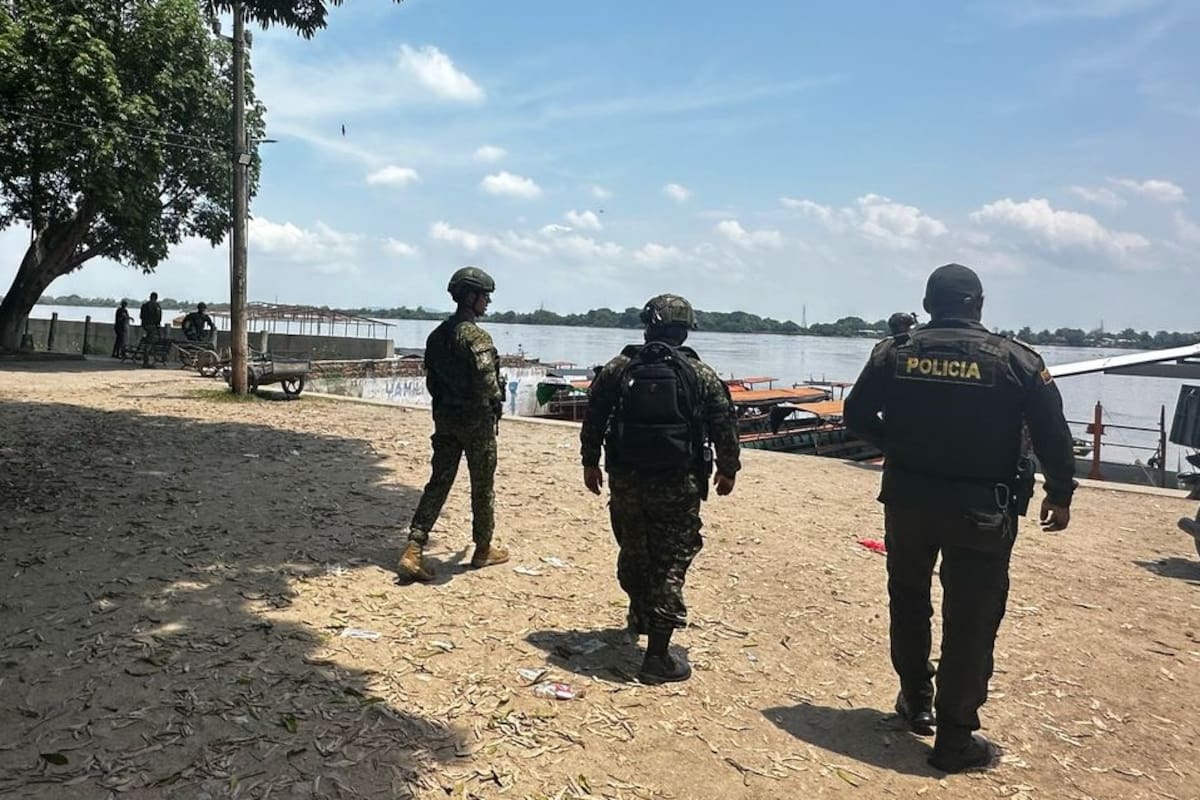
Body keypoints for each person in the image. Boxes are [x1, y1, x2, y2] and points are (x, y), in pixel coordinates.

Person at [844, 263, 1077, 773]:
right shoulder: (1016, 360)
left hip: (908, 502)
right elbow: (1053, 434)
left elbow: (856, 416)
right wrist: (1060, 493)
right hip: (982, 511)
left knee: (908, 600)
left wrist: (897, 447)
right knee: (970, 621)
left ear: (928, 304)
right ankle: (954, 738)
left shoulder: (894, 354)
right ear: (979, 304)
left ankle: (915, 699)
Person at [579, 294, 741, 685]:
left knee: (634, 547)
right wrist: (728, 468)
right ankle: (656, 657)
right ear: (684, 330)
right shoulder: (698, 372)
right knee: (671, 560)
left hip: (625, 480)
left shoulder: (620, 367)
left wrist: (589, 461)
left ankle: (638, 612)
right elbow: (723, 422)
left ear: (647, 326)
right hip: (677, 483)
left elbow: (595, 414)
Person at [398, 267, 509, 582]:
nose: (487, 302)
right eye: (484, 296)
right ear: (471, 297)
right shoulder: (475, 335)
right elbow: (490, 383)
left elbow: (432, 382)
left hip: (445, 420)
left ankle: (414, 546)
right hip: (477, 422)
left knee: (439, 481)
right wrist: (494, 400)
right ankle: (483, 548)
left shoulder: (436, 336)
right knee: (482, 486)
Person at [138, 292, 162, 367]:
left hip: (145, 325)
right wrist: (157, 324)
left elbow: (141, 316)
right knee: (150, 343)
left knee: (148, 342)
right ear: (156, 298)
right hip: (152, 326)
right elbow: (158, 317)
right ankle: (147, 361)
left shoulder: (144, 305)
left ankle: (147, 361)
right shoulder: (156, 305)